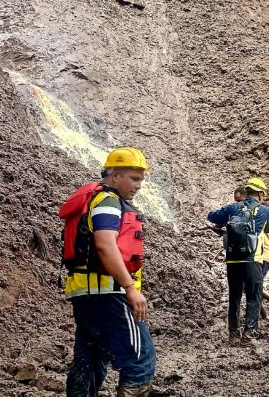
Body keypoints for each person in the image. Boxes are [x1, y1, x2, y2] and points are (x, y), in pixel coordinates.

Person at [61, 147, 156, 397]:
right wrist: (130, 288)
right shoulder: (109, 201)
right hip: (109, 294)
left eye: (141, 179)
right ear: (114, 175)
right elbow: (105, 244)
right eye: (134, 178)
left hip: (86, 294)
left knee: (88, 363)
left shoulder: (95, 199)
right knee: (139, 360)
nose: (138, 186)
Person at [207, 177, 269, 341]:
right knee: (253, 296)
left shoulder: (233, 207)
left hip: (232, 260)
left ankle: (233, 334)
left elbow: (212, 216)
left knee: (234, 295)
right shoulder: (264, 210)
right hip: (252, 259)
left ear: (246, 191)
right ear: (260, 193)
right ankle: (249, 334)